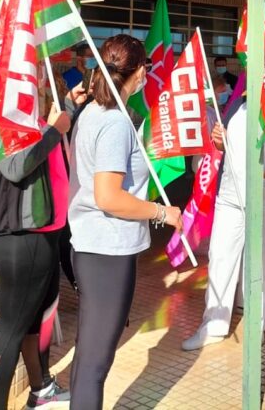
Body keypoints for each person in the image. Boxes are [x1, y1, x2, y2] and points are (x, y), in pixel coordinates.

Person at [68, 34, 182, 410]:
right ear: (140, 72)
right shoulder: (114, 122)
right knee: (95, 362)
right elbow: (108, 196)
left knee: (89, 356)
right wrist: (163, 213)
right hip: (106, 250)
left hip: (94, 246)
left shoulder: (95, 113)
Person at [0, 74, 72, 409]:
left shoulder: (28, 121)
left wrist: (64, 115)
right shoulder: (1, 122)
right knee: (10, 330)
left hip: (43, 236)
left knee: (35, 320)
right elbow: (17, 167)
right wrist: (54, 131)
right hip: (21, 240)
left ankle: (41, 389)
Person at [181, 82, 265, 350]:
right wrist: (219, 140)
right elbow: (225, 148)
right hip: (229, 198)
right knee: (220, 258)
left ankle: (257, 326)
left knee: (263, 266)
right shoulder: (237, 108)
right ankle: (214, 325)